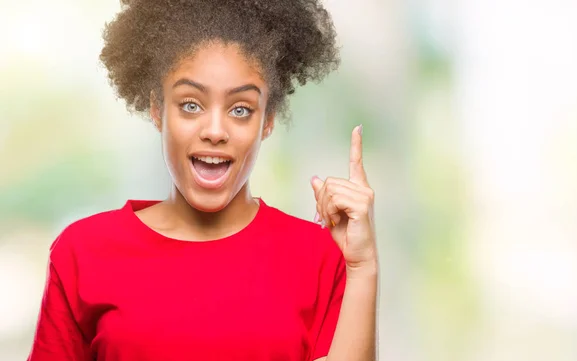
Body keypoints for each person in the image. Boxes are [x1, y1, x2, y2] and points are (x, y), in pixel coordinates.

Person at [27, 0, 379, 360]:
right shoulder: (83, 253)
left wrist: (363, 266)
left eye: (240, 110)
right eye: (191, 105)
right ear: (157, 109)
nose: (214, 131)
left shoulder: (317, 257)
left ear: (267, 121)